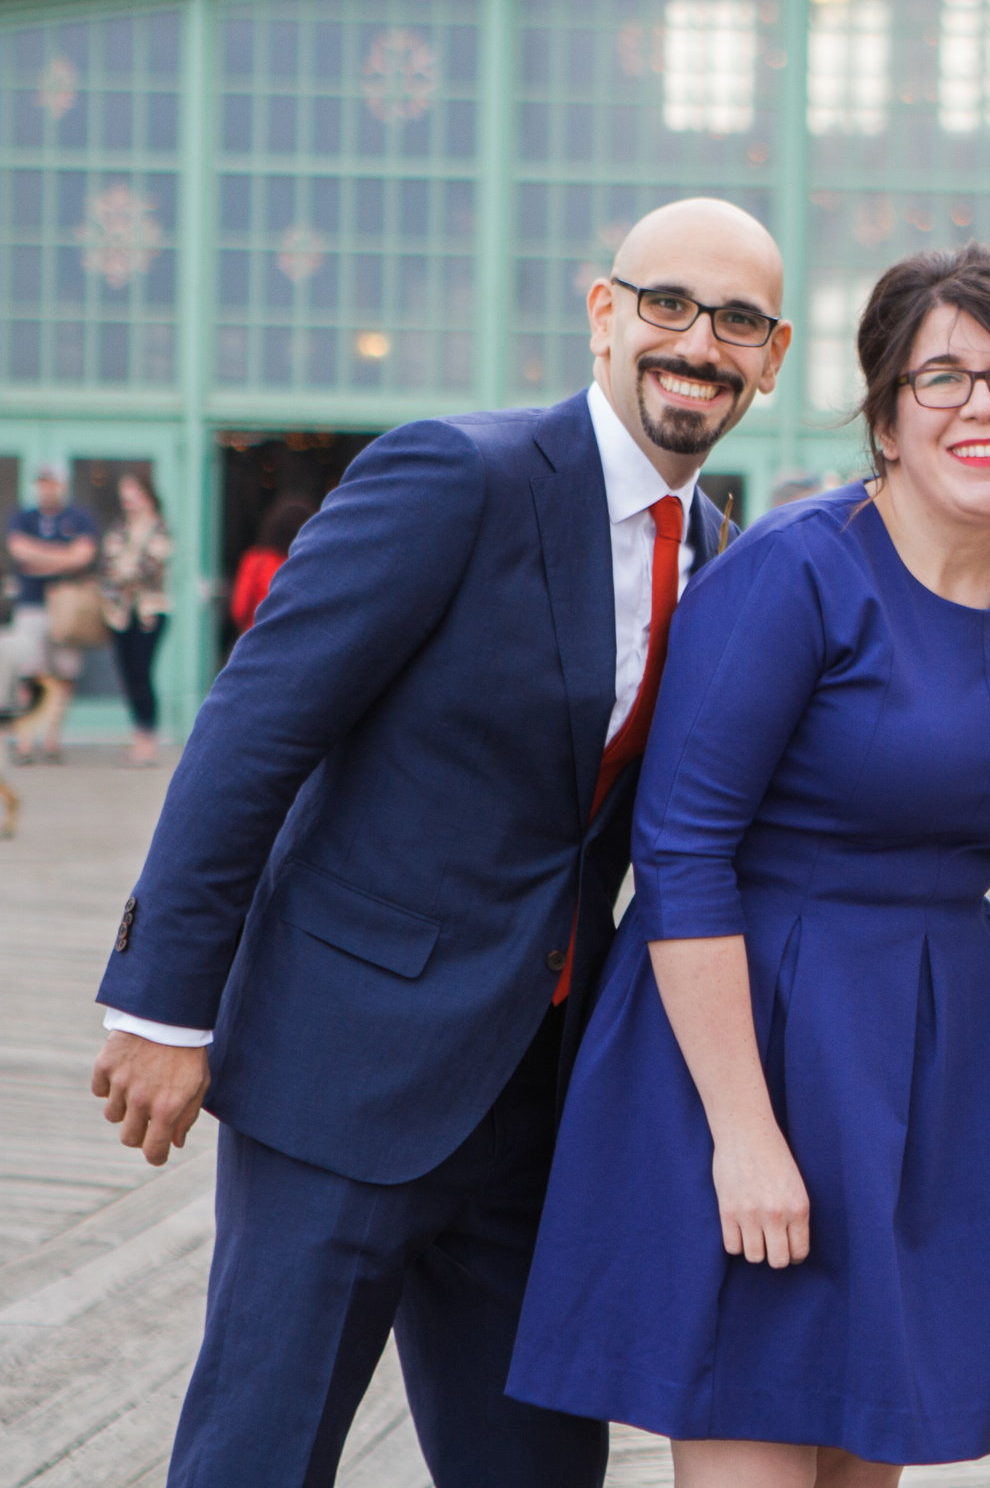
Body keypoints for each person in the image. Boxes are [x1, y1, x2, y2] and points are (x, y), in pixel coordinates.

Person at [89, 197, 781, 1488]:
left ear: (773, 356)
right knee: (260, 1452)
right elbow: (255, 726)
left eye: (738, 320)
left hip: (541, 1108)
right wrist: (161, 1003)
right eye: (669, 304)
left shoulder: (727, 563)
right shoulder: (456, 475)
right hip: (341, 1074)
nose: (700, 341)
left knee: (535, 1466)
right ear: (603, 311)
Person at [508, 243, 990, 1485]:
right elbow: (681, 852)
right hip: (751, 1027)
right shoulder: (794, 571)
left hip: (927, 1045)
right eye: (942, 376)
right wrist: (744, 1134)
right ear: (882, 412)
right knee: (756, 1447)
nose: (982, 405)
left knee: (864, 1451)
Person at [7, 462, 99, 765]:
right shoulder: (23, 517)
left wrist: (42, 560)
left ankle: (51, 739)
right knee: (29, 673)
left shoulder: (79, 518)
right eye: (42, 483)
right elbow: (19, 550)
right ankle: (24, 741)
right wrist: (63, 557)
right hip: (31, 606)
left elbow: (83, 557)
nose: (47, 489)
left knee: (64, 673)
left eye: (52, 482)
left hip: (67, 607)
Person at [100, 471, 177, 767]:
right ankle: (137, 735)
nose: (128, 501)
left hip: (150, 613)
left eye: (133, 494)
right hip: (120, 614)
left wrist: (124, 571)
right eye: (125, 496)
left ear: (146, 495)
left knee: (143, 674)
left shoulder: (160, 529)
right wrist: (122, 572)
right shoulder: (120, 528)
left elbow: (148, 568)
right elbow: (107, 566)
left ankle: (149, 739)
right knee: (128, 675)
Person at [230, 498, 313, 635]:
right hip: (298, 641)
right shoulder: (306, 564)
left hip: (259, 639)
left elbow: (239, 610)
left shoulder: (255, 560)